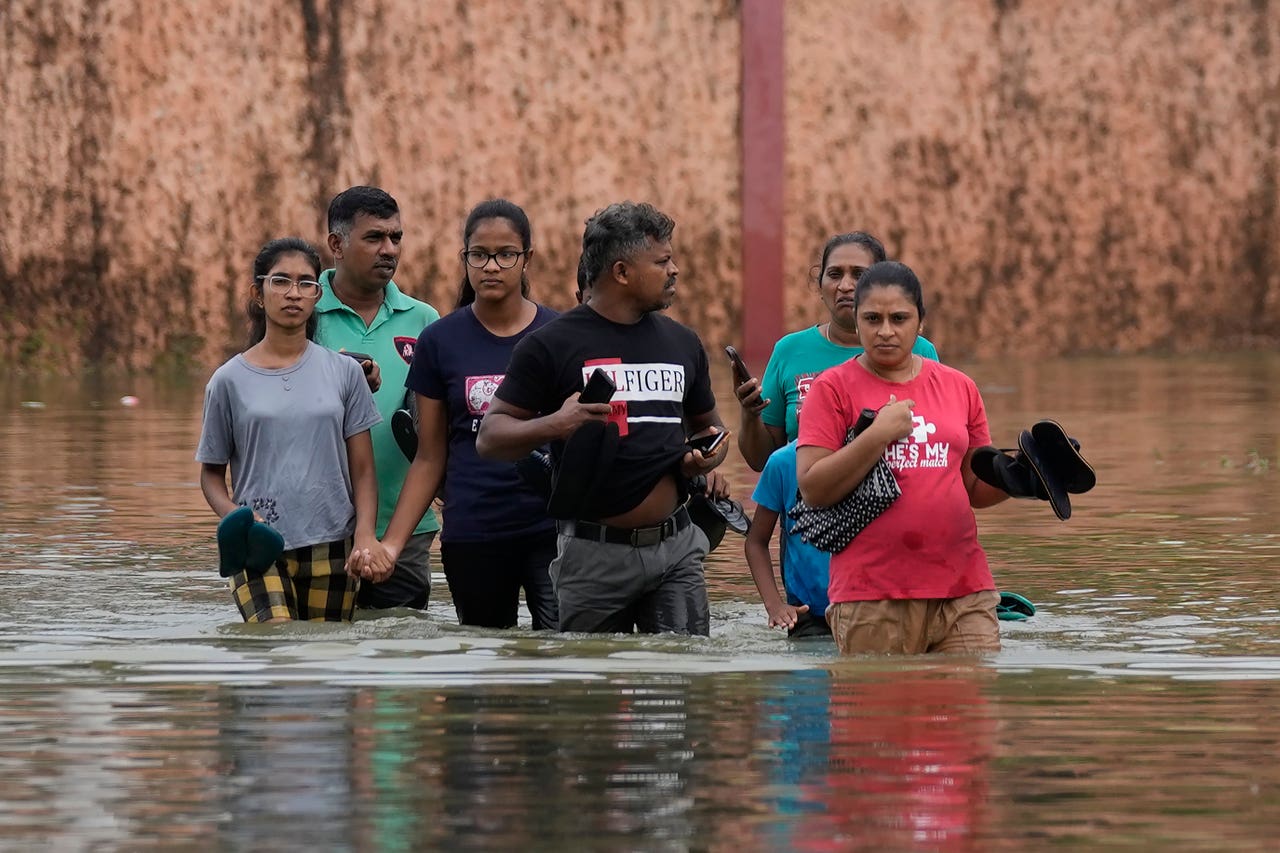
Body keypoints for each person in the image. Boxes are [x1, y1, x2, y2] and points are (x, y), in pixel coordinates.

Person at [475, 201, 729, 635]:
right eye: (663, 260)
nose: (675, 270)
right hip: (593, 555)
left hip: (677, 548)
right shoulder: (550, 345)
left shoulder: (683, 342)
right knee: (589, 690)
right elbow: (490, 437)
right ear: (622, 272)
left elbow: (710, 429)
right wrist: (557, 422)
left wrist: (703, 459)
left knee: (680, 680)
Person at [795, 261, 1009, 655]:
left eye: (899, 318)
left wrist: (1022, 479)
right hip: (871, 596)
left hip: (964, 589)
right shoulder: (832, 389)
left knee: (969, 708)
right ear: (856, 323)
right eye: (872, 318)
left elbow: (975, 487)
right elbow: (812, 488)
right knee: (883, 713)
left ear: (920, 323)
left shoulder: (960, 387)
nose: (886, 331)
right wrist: (877, 435)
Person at [373, 199, 560, 629]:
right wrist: (392, 545)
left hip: (551, 531)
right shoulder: (439, 341)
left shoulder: (558, 336)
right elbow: (429, 456)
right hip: (474, 531)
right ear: (465, 258)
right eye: (479, 255)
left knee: (559, 658)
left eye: (505, 255)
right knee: (483, 666)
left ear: (527, 259)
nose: (491, 266)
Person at [196, 237, 384, 622]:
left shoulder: (345, 373)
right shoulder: (228, 380)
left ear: (318, 295)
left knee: (326, 661)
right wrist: (236, 518)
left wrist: (365, 535)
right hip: (258, 544)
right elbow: (211, 476)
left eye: (305, 283)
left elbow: (364, 470)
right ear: (258, 294)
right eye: (280, 281)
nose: (293, 293)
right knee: (275, 645)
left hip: (333, 544)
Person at [314, 186, 441, 610]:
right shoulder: (302, 311)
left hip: (402, 531)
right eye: (374, 238)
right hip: (313, 530)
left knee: (399, 658)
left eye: (396, 238)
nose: (389, 249)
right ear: (337, 243)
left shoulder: (425, 321)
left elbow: (435, 428)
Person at [735, 232, 940, 472]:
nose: (845, 286)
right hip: (808, 502)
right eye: (834, 274)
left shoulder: (919, 351)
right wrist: (750, 415)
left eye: (858, 274)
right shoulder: (789, 351)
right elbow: (762, 462)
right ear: (820, 285)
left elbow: (938, 443)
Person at [744, 440, 831, 638]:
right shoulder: (783, 462)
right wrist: (774, 604)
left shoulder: (872, 453)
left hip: (867, 608)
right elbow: (756, 542)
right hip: (808, 614)